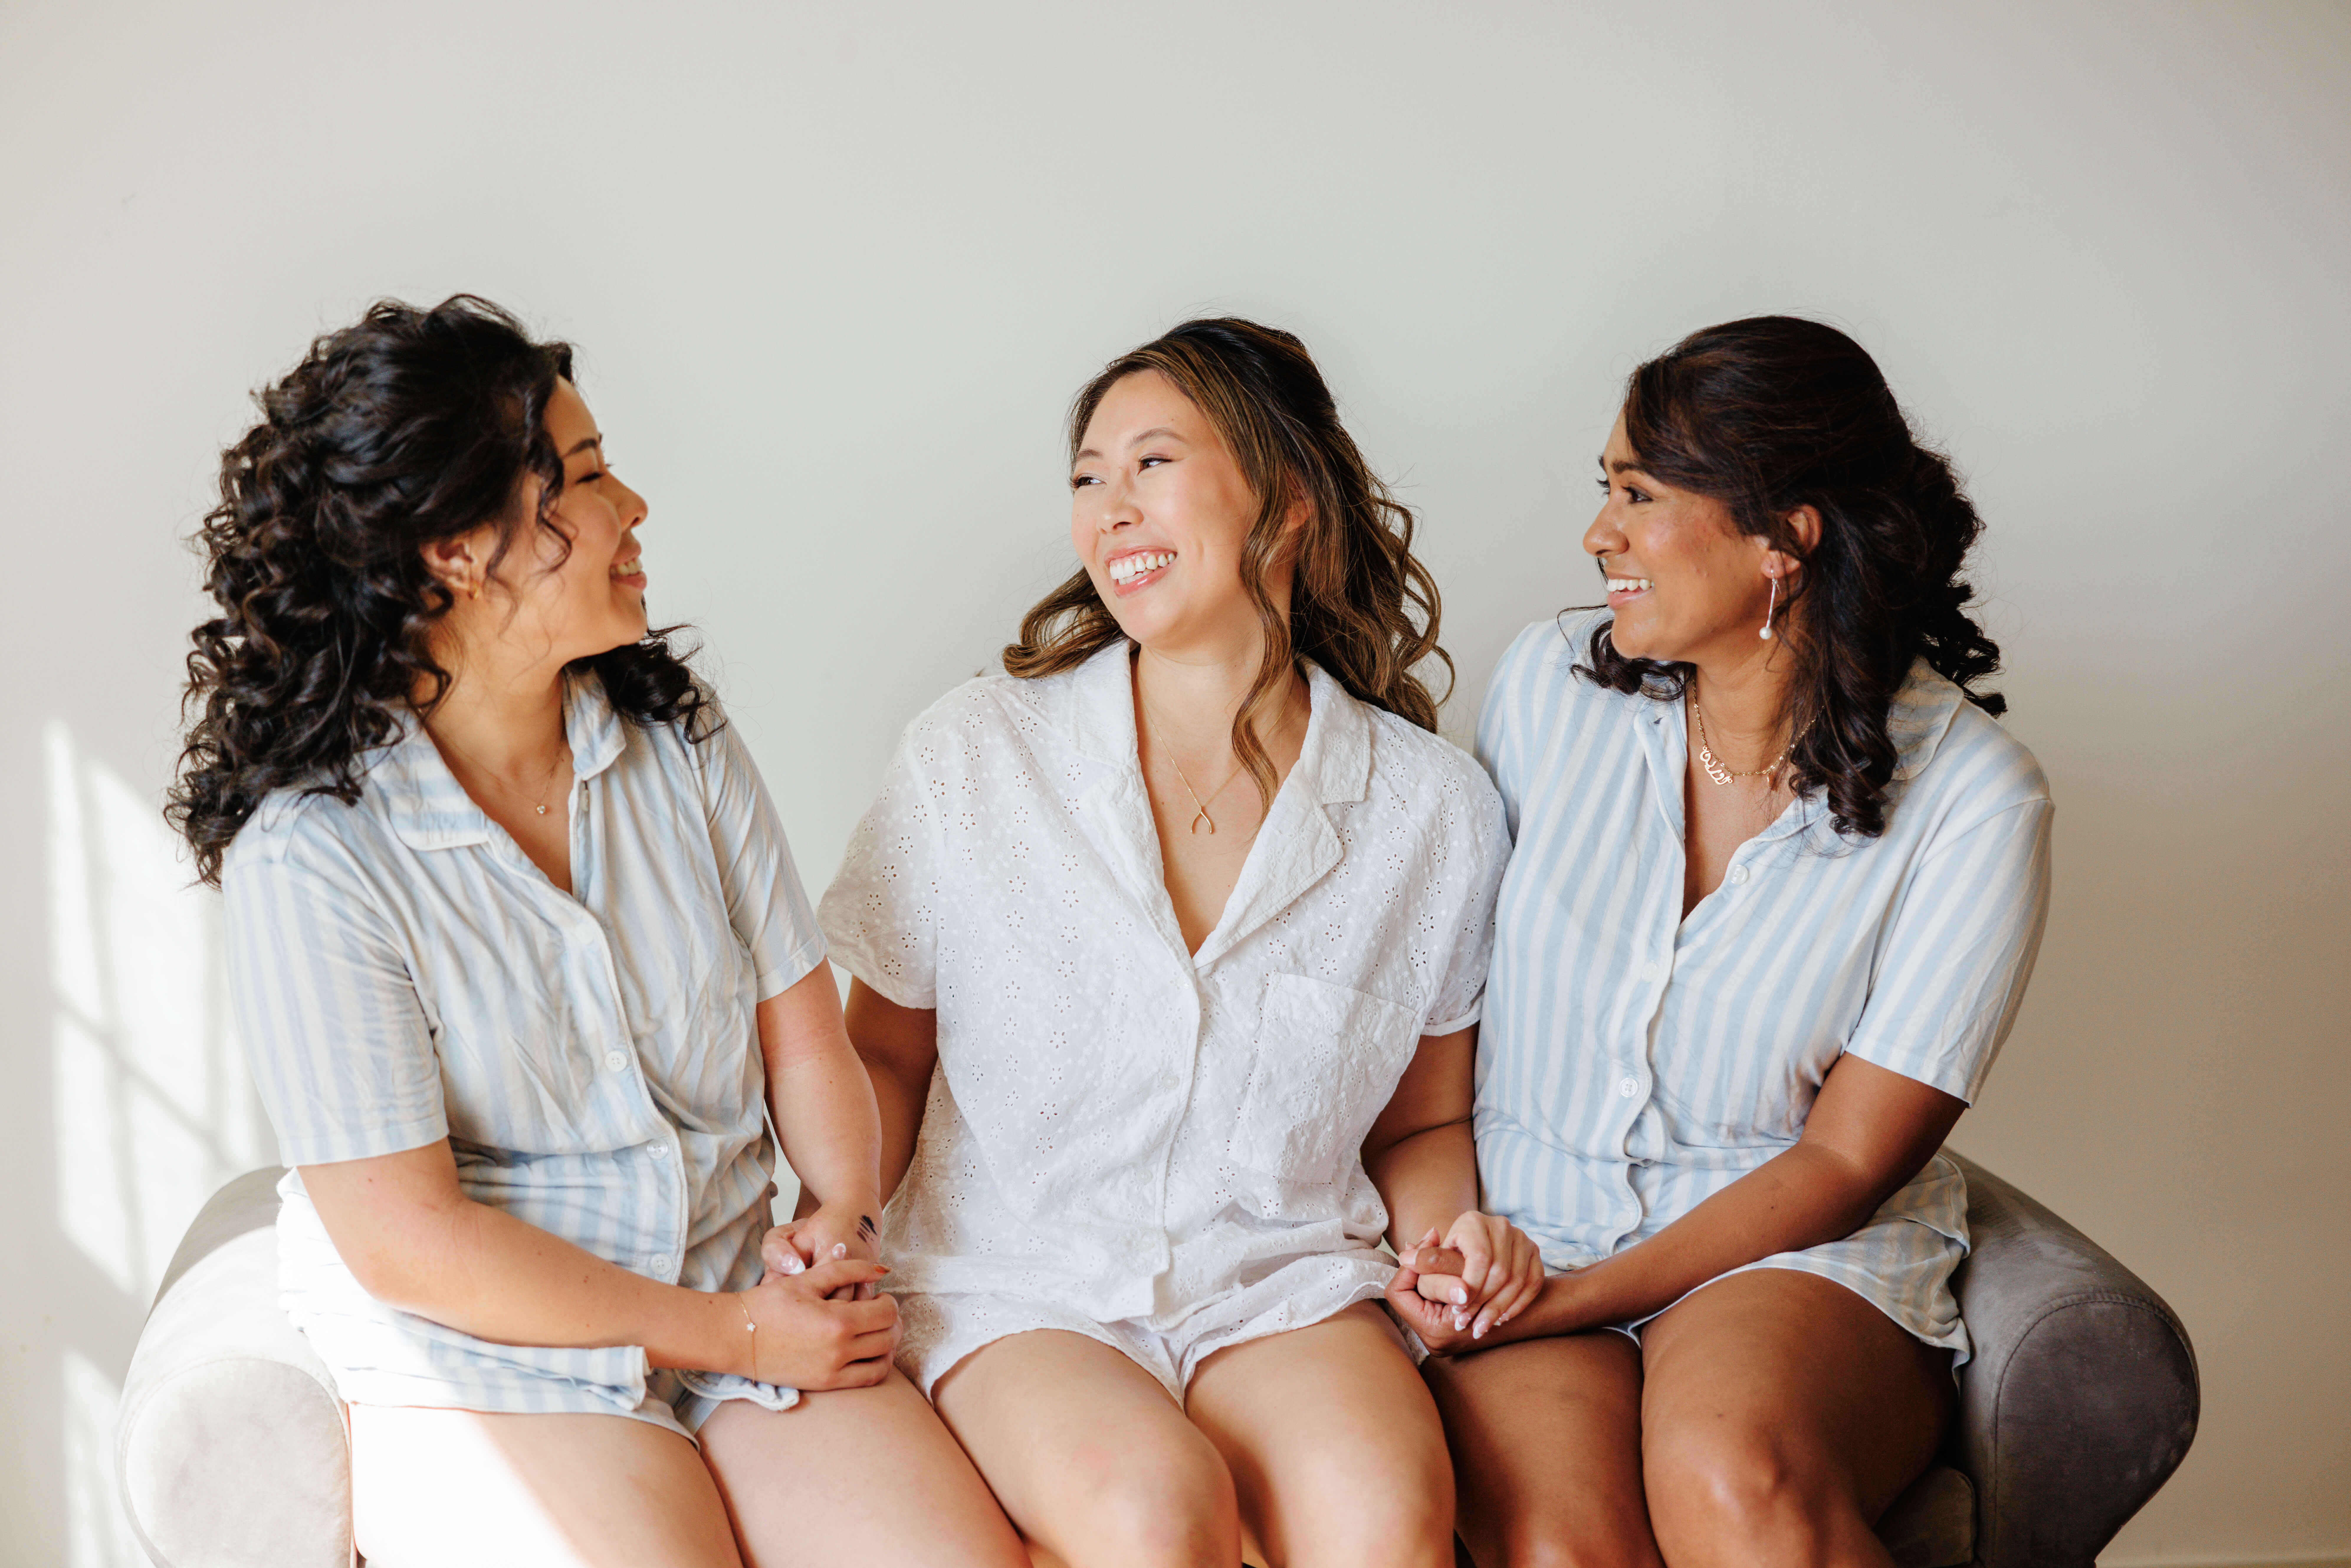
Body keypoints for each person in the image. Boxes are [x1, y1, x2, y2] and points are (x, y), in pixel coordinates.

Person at [169, 296, 1026, 1568]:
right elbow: (413, 1241)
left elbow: (801, 1035)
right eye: (583, 478)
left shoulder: (677, 740)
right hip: (495, 1353)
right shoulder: (317, 855)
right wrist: (732, 1336)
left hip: (742, 1289)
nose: (632, 509)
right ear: (456, 550)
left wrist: (837, 1213)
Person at [811, 318, 1531, 1568]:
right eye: (1088, 477)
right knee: (1155, 1514)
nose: (1110, 509)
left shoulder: (1434, 811)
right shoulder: (974, 754)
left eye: (1152, 463)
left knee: (1382, 1520)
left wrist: (1441, 1245)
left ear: (1289, 499)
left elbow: (1420, 1122)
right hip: (1017, 1278)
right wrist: (838, 1216)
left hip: (1283, 1282)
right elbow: (881, 1058)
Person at [1405, 316, 2053, 1567]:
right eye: (1605, 492)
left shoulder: (1977, 799)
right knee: (1558, 1545)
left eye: (1638, 496)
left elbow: (1847, 1159)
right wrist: (1465, 1252)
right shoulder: (1548, 691)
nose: (1600, 534)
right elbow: (1444, 1024)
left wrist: (1584, 1297)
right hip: (1534, 1219)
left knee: (1731, 1482)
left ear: (1785, 537)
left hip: (1792, 1249)